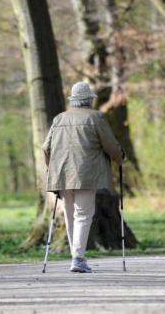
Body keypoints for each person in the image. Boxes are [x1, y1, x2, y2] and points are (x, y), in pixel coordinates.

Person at [42, 81, 124, 273]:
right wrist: (120, 157)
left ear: (74, 100)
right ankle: (78, 259)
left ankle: (76, 256)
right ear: (89, 100)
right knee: (83, 215)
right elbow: (110, 145)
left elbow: (46, 148)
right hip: (86, 174)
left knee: (70, 215)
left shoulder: (59, 119)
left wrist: (51, 168)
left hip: (62, 174)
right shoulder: (96, 117)